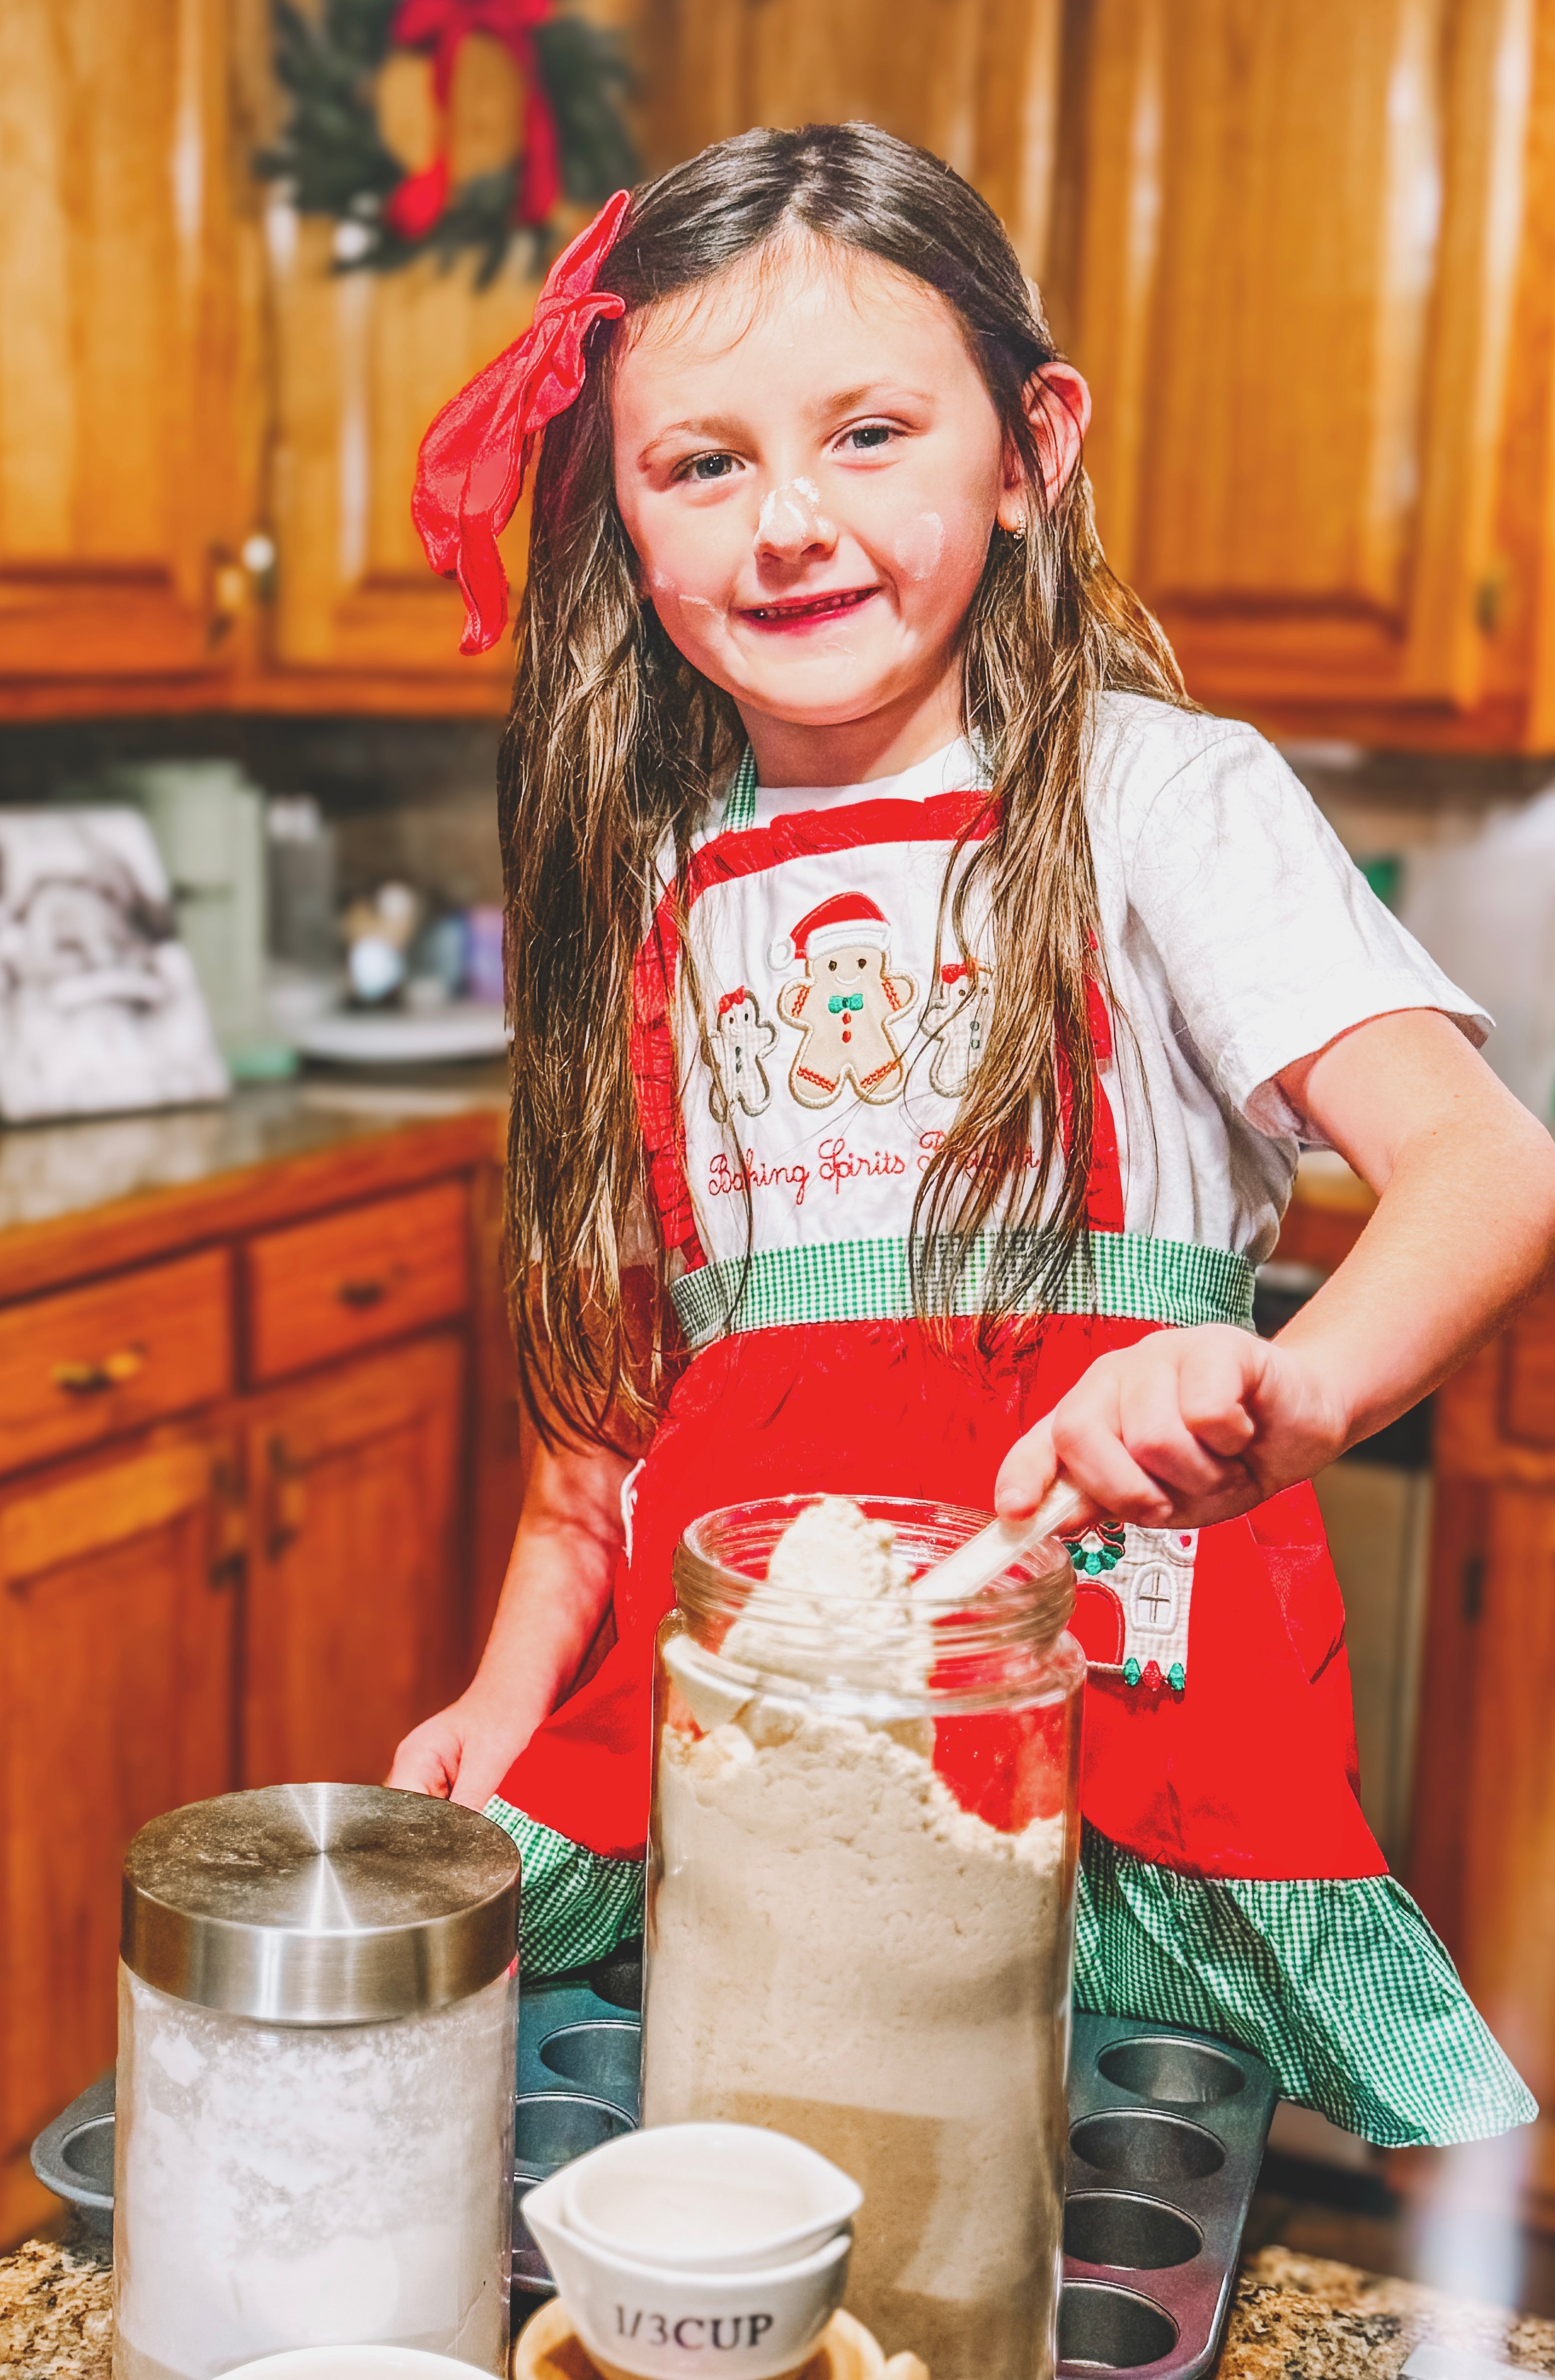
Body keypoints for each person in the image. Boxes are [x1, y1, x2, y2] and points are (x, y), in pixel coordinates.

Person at [391, 124, 1555, 2147]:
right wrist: (510, 1683)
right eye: (703, 464)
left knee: (1061, 2182)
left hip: (1107, 1691)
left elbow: (1487, 1168)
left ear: (1029, 450)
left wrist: (1280, 1394)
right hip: (742, 1711)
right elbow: (606, 1411)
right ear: (621, 520)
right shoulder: (637, 880)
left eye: (869, 434)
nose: (790, 525)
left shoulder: (1159, 800)